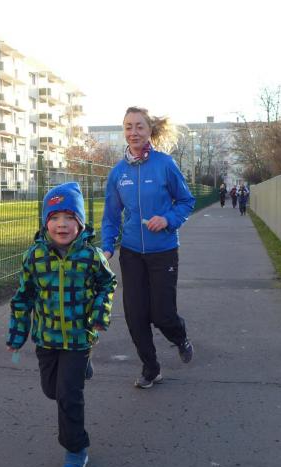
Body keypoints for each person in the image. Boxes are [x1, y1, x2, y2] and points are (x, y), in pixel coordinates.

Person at [6, 181, 117, 467]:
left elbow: (108, 283)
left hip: (79, 338)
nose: (62, 224)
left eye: (69, 217)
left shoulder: (91, 256)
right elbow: (23, 297)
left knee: (68, 395)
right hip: (47, 337)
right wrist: (17, 334)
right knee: (51, 389)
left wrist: (99, 312)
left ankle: (75, 448)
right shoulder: (34, 257)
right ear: (46, 222)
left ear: (80, 223)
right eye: (54, 217)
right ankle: (81, 371)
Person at [101, 106, 196, 389]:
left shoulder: (165, 164)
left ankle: (180, 337)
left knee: (163, 314)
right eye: (128, 127)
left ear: (149, 130)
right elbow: (111, 216)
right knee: (135, 315)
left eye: (139, 126)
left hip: (163, 251)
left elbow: (186, 201)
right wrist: (107, 247)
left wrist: (167, 220)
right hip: (131, 253)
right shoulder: (118, 173)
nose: (133, 132)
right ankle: (151, 368)